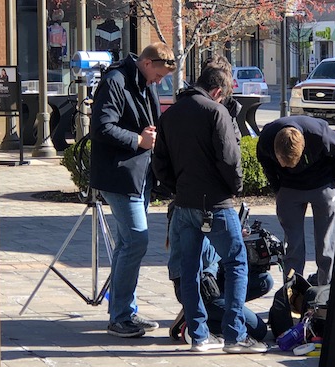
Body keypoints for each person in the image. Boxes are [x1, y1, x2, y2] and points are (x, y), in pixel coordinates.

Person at [153, 64, 268, 353]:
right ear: (218, 91)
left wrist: (177, 189)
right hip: (215, 203)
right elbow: (230, 160)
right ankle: (234, 336)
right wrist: (234, 189)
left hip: (184, 203)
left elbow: (160, 163)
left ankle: (200, 336)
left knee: (189, 268)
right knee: (236, 262)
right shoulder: (217, 112)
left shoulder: (172, 113)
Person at [90, 41, 176, 338]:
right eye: (159, 75)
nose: (159, 81)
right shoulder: (115, 81)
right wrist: (138, 141)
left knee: (127, 245)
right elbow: (100, 127)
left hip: (140, 175)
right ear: (148, 62)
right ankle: (121, 317)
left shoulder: (142, 81)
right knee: (137, 241)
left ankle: (125, 312)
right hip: (120, 176)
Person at [257, 115, 335, 286]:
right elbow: (266, 164)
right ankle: (293, 297)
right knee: (293, 247)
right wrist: (278, 188)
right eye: (284, 163)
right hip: (289, 188)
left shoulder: (318, 133)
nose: (289, 166)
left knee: (326, 246)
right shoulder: (266, 139)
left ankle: (326, 294)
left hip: (322, 185)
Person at [169, 237, 274, 342]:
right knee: (258, 330)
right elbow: (208, 257)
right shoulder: (197, 223)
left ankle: (202, 311)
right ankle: (195, 321)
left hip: (217, 277)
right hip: (204, 288)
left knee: (264, 281)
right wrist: (231, 238)